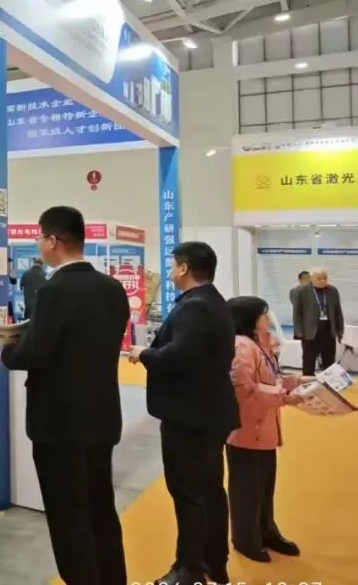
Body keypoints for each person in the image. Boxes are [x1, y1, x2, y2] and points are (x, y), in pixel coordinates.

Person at [0, 207, 129, 585]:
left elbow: (35, 353)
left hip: (59, 425)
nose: (39, 244)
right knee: (101, 508)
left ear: (54, 240)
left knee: (68, 515)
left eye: (40, 238)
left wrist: (8, 348)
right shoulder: (112, 289)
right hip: (101, 418)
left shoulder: (54, 291)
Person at [129, 241, 239, 585]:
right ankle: (213, 562)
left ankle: (189, 568)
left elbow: (178, 356)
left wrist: (144, 353)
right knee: (210, 489)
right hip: (208, 411)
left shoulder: (195, 307)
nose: (171, 271)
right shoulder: (213, 301)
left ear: (184, 268)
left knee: (189, 492)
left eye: (174, 265)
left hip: (190, 415)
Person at [226, 296, 310, 564]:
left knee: (263, 487)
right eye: (263, 313)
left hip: (264, 428)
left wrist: (299, 381)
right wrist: (284, 397)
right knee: (247, 490)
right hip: (246, 430)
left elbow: (272, 378)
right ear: (249, 318)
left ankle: (266, 531)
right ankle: (246, 539)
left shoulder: (259, 343)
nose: (267, 318)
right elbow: (244, 389)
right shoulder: (241, 346)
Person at [292, 267, 345, 376]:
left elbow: (338, 312)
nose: (322, 281)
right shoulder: (301, 291)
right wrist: (299, 332)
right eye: (319, 278)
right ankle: (308, 383)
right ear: (312, 279)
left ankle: (328, 383)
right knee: (309, 361)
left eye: (325, 278)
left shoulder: (333, 290)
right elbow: (297, 313)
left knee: (329, 362)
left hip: (329, 331)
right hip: (310, 333)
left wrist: (340, 330)